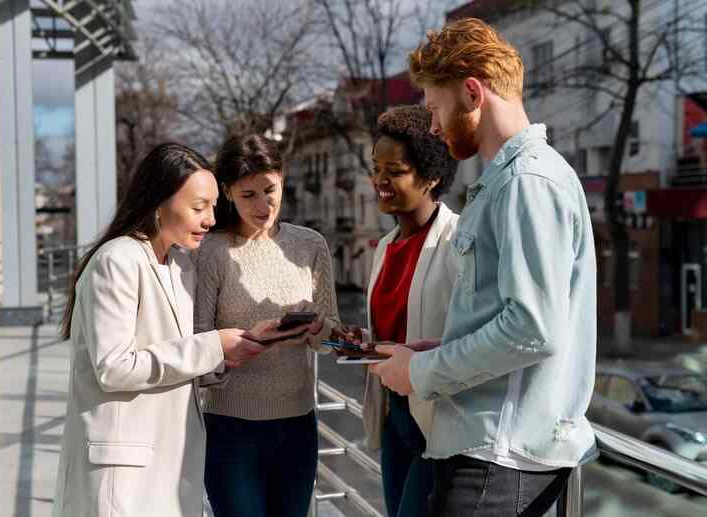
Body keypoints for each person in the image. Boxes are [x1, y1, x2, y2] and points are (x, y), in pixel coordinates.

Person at [370, 18, 598, 517]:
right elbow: (510, 316)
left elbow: (532, 330)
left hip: (499, 455)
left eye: (435, 107)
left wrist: (424, 370)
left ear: (472, 93)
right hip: (493, 449)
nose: (431, 126)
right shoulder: (512, 181)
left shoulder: (527, 183)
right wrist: (442, 347)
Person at [52, 143, 295, 517]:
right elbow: (114, 367)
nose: (211, 219)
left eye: (213, 206)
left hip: (169, 466)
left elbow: (176, 354)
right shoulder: (117, 261)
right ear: (159, 202)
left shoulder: (180, 263)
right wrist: (213, 346)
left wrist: (229, 353)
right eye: (199, 208)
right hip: (123, 472)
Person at [195, 134, 340, 517]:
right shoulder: (211, 251)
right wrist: (241, 346)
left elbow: (330, 342)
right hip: (231, 430)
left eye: (269, 190)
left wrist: (318, 327)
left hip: (298, 426)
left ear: (283, 177)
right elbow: (197, 346)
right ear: (226, 192)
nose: (263, 205)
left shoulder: (311, 245)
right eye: (248, 195)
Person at [333, 105, 460, 517]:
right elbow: (394, 333)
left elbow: (471, 335)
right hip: (393, 418)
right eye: (376, 167)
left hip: (438, 423)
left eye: (395, 170)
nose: (380, 181)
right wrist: (361, 345)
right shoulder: (384, 246)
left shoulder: (459, 241)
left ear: (431, 175)